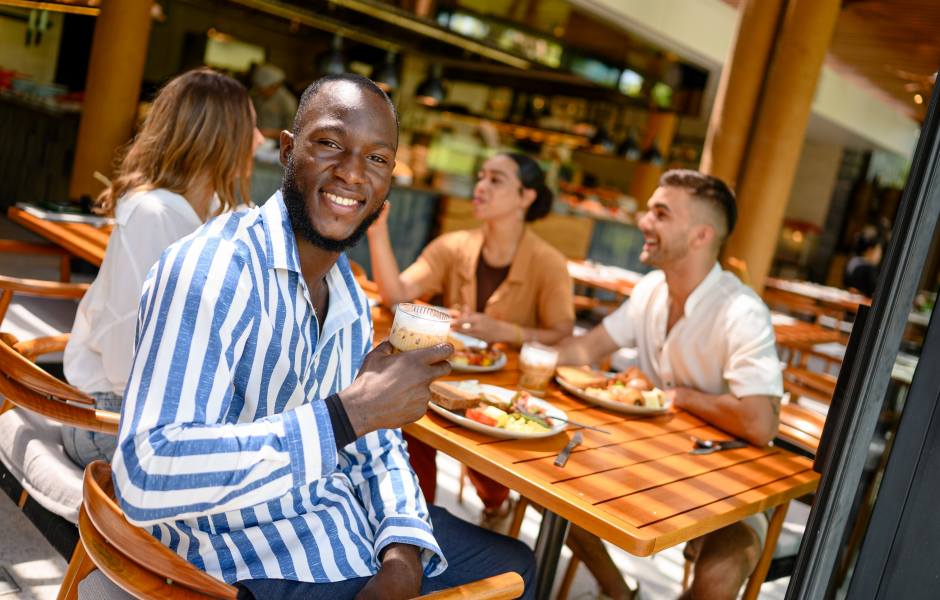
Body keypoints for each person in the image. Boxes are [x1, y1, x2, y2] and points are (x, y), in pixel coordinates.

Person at [111, 73, 535, 600]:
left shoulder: (350, 299)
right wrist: (343, 416)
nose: (353, 173)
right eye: (331, 144)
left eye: (377, 159)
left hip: (336, 526)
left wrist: (402, 559)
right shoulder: (214, 270)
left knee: (516, 565)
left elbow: (377, 447)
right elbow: (145, 474)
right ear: (289, 151)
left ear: (389, 181)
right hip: (234, 553)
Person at [554, 170, 782, 600]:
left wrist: (681, 397)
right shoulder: (651, 291)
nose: (643, 221)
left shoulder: (742, 311)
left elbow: (761, 421)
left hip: (726, 485)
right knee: (553, 492)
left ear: (700, 235)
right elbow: (588, 348)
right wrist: (519, 350)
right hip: (643, 464)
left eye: (660, 213)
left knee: (720, 571)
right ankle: (621, 595)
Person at [61, 68, 264, 468]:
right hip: (109, 415)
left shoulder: (216, 215)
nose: (259, 141)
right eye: (251, 128)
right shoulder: (150, 215)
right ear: (220, 139)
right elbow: (123, 360)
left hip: (165, 411)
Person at [367, 151, 575, 528]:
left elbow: (561, 332)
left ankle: (495, 505)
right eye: (481, 176)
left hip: (506, 395)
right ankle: (418, 521)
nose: (481, 186)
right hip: (443, 378)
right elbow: (397, 296)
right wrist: (377, 232)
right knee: (414, 427)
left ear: (526, 197)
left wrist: (506, 332)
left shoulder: (549, 262)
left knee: (485, 439)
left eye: (496, 180)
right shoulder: (454, 246)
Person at [250, 63, 298, 140]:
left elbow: (292, 131)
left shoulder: (287, 102)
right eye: (258, 88)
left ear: (274, 86)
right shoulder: (256, 97)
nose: (259, 92)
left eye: (262, 89)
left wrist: (270, 133)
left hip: (276, 145)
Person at [843, 224, 884, 297]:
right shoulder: (866, 267)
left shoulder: (854, 261)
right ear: (870, 250)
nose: (879, 256)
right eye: (878, 252)